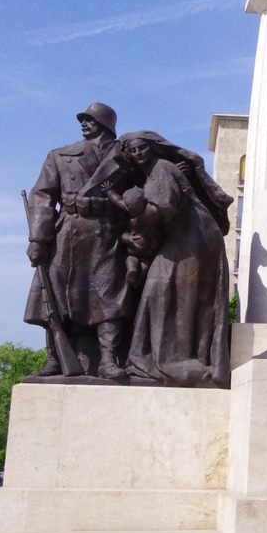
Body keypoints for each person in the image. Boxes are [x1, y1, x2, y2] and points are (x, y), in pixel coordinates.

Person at [105, 132, 233, 388]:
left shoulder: (162, 169)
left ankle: (175, 361)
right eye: (132, 151)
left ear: (152, 148)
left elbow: (158, 211)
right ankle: (171, 358)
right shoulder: (152, 175)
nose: (137, 154)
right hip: (185, 236)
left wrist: (129, 222)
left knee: (167, 289)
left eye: (142, 148)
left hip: (195, 237)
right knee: (164, 289)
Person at [23, 103, 132, 381]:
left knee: (109, 297)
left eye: (90, 119)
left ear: (105, 124)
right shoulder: (60, 155)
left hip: (108, 232)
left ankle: (108, 360)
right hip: (67, 233)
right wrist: (39, 238)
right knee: (54, 296)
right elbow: (42, 197)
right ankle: (55, 359)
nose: (83, 123)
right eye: (82, 120)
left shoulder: (126, 156)